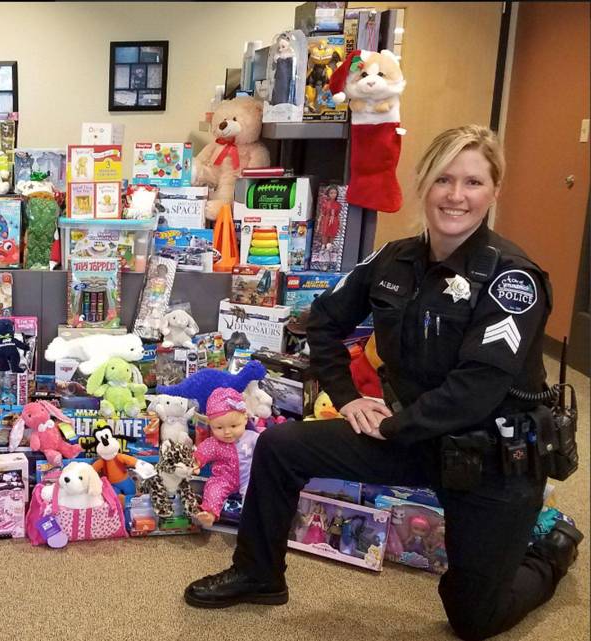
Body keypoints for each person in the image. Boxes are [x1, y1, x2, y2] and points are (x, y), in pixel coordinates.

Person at [184, 125, 583, 641]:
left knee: (473, 619)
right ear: (423, 184)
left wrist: (393, 427)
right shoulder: (394, 259)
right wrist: (348, 399)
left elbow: (476, 390)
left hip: (489, 458)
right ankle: (258, 574)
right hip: (411, 436)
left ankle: (550, 549)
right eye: (443, 179)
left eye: (473, 182)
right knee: (281, 446)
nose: (456, 196)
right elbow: (320, 324)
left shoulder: (513, 280)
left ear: (494, 191)